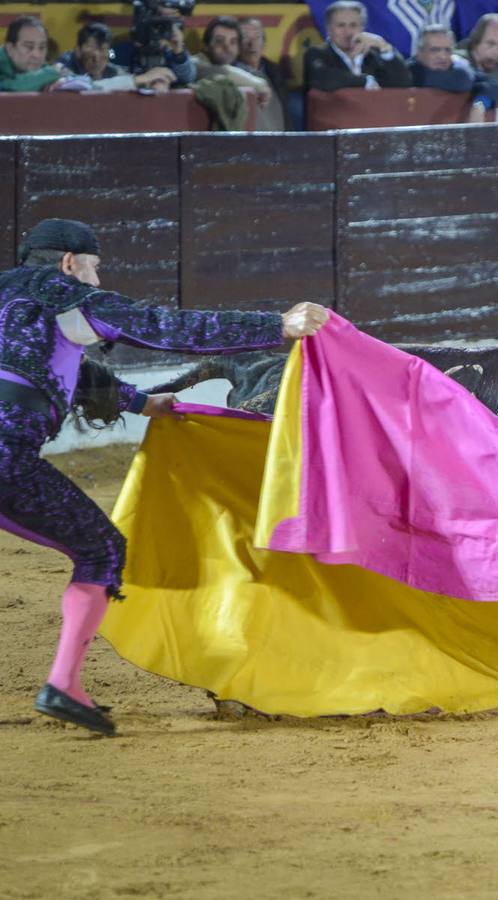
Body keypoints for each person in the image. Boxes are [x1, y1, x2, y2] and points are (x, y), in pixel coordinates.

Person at [0, 218, 331, 736]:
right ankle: (64, 684)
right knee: (100, 551)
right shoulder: (65, 294)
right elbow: (165, 327)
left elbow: (58, 369)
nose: (97, 277)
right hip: (6, 455)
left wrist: (139, 402)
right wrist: (276, 326)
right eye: (95, 266)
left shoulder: (11, 301)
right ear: (70, 262)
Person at [195, 16, 283, 131]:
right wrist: (256, 83)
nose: (227, 47)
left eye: (233, 42)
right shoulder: (196, 63)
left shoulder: (256, 76)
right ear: (206, 46)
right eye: (219, 41)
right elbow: (209, 69)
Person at [304, 0, 412, 92]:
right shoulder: (317, 53)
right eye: (341, 25)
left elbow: (403, 83)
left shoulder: (373, 55)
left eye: (353, 25)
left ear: (362, 28)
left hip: (376, 114)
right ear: (328, 29)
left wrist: (383, 46)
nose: (348, 32)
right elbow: (325, 79)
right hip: (335, 114)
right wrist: (366, 81)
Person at [409, 24, 498, 122]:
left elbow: (492, 83)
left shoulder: (454, 68)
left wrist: (480, 105)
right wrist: (466, 74)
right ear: (419, 52)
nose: (442, 56)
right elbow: (463, 81)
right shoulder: (410, 71)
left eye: (447, 50)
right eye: (435, 50)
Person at [54, 22, 175, 93]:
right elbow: (89, 88)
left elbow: (126, 82)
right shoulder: (63, 66)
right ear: (78, 50)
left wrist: (151, 85)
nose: (96, 58)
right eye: (91, 49)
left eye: (102, 50)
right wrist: (139, 79)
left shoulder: (113, 70)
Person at [237, 17, 293, 127]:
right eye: (245, 37)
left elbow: (285, 114)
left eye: (257, 37)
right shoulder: (230, 72)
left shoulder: (275, 72)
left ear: (264, 43)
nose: (251, 43)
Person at [1, 16, 61, 93]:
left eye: (42, 47)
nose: (37, 55)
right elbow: (12, 88)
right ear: (10, 49)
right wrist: (53, 73)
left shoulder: (44, 68)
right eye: (29, 47)